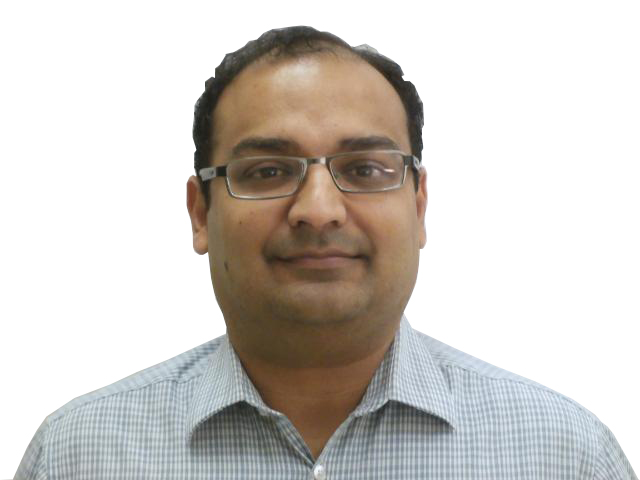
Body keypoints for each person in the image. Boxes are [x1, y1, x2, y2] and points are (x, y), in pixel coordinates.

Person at [15, 26, 636, 480]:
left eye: (364, 169)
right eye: (267, 171)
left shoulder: (565, 455)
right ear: (200, 212)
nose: (318, 209)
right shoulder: (79, 455)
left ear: (419, 205)